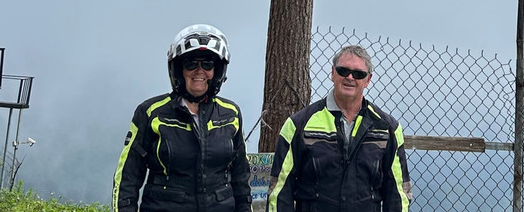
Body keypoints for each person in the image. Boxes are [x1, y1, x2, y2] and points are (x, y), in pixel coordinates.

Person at [113, 24, 251, 212]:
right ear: (178, 69)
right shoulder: (151, 112)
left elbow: (241, 179)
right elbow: (127, 178)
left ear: (217, 71)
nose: (199, 71)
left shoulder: (231, 113)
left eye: (208, 64)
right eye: (191, 63)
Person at [267, 45, 411, 212]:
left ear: (368, 80)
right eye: (343, 71)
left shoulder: (388, 129)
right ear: (333, 73)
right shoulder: (298, 125)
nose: (350, 77)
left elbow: (398, 194)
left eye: (358, 74)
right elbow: (280, 191)